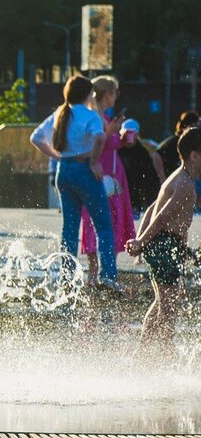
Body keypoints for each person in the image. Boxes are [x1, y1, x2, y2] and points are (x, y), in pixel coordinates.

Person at [30, 76, 118, 288]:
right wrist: (94, 161)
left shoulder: (60, 114)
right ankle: (108, 276)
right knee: (104, 226)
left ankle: (67, 277)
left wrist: (58, 156)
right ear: (88, 94)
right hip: (85, 171)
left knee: (69, 229)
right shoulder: (90, 115)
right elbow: (99, 138)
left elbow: (36, 137)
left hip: (64, 171)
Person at [126, 127, 201, 360]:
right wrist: (140, 241)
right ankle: (164, 354)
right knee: (168, 305)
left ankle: (145, 352)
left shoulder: (177, 176)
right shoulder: (185, 183)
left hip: (165, 245)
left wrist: (142, 241)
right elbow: (162, 216)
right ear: (194, 156)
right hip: (165, 245)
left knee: (163, 302)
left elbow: (151, 209)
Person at [79, 76, 136, 288]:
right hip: (100, 176)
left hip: (112, 175)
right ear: (107, 94)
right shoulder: (95, 117)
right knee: (99, 223)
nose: (116, 97)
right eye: (115, 92)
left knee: (109, 223)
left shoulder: (103, 116)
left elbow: (109, 143)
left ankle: (104, 273)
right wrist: (112, 131)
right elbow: (98, 143)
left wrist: (123, 139)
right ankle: (96, 275)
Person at [117, 120, 166, 217]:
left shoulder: (143, 150)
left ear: (137, 134)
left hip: (139, 192)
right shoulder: (117, 149)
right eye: (127, 133)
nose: (129, 136)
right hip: (122, 189)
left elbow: (149, 174)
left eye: (132, 133)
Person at [157, 111, 199, 178]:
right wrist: (162, 178)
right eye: (197, 126)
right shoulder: (177, 142)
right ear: (189, 126)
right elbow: (156, 155)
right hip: (171, 176)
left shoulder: (192, 143)